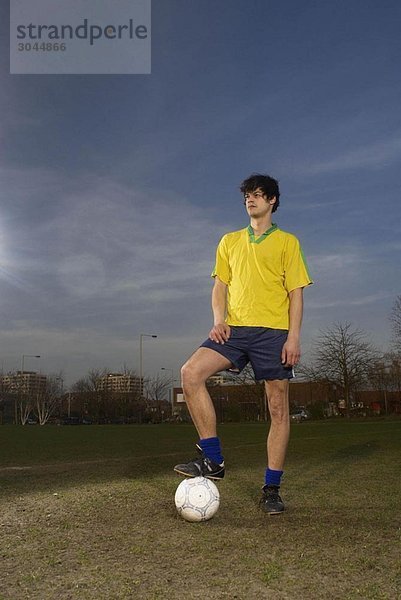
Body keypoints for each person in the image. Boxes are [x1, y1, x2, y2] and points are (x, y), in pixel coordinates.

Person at [174, 173, 313, 514]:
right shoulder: (229, 241)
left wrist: (294, 337)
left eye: (258, 195)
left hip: (273, 333)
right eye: (247, 195)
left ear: (272, 201)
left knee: (278, 409)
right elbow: (219, 286)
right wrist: (219, 319)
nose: (251, 200)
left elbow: (296, 294)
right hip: (233, 330)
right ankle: (213, 458)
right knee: (190, 373)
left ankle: (271, 489)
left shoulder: (288, 243)